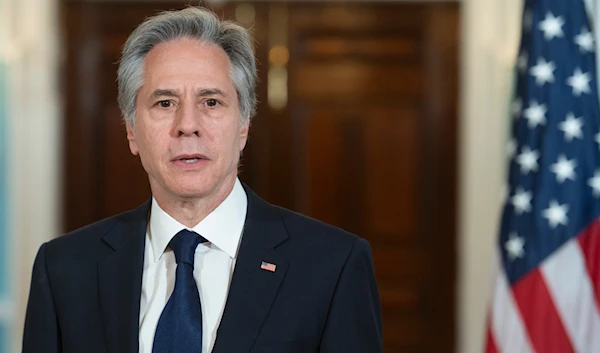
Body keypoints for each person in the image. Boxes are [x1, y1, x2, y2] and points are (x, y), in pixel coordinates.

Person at [22, 7, 383, 353]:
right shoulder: (64, 270)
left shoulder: (332, 266)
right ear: (131, 130)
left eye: (211, 102)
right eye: (164, 103)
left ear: (243, 125)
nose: (187, 124)